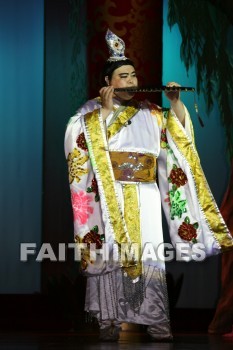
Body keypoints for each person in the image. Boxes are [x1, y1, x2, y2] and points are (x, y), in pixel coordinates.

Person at [64, 29, 233, 342]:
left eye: (133, 75)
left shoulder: (152, 113)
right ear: (107, 83)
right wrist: (105, 113)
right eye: (122, 76)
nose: (130, 81)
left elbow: (178, 137)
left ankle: (155, 319)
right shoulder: (89, 113)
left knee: (150, 256)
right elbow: (79, 143)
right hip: (110, 194)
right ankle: (109, 320)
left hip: (146, 194)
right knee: (112, 255)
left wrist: (175, 104)